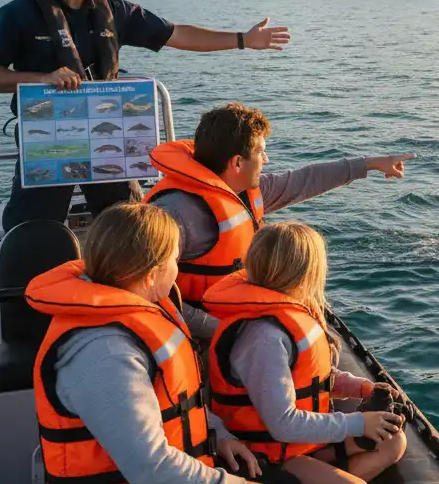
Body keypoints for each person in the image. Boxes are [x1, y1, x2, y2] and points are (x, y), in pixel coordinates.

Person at [25, 203, 307, 484]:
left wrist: (218, 433)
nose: (179, 268)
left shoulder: (135, 310)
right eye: (175, 258)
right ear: (152, 271)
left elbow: (171, 403)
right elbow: (149, 466)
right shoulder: (105, 351)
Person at [0, 0, 291, 231]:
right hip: (47, 137)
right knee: (34, 228)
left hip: (108, 133)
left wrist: (243, 40)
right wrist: (41, 79)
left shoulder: (116, 12)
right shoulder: (19, 15)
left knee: (129, 221)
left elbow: (177, 34)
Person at [203, 223, 406, 484]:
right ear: (304, 274)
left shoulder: (289, 318)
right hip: (263, 451)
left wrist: (358, 388)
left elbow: (311, 379)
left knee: (393, 441)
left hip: (295, 444)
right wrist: (358, 423)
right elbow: (282, 423)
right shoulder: (264, 336)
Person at [144, 103, 415, 336]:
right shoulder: (175, 214)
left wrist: (370, 164)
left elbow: (303, 180)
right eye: (260, 152)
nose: (266, 159)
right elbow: (146, 288)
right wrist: (220, 330)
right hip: (203, 331)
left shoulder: (243, 191)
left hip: (236, 311)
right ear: (237, 163)